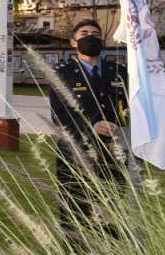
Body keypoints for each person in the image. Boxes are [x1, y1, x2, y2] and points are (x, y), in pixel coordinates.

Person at [48, 19, 128, 235]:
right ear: (73, 42)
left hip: (112, 151)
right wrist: (92, 125)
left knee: (110, 206)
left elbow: (130, 107)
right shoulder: (62, 73)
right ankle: (75, 246)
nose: (90, 36)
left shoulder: (119, 72)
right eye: (84, 33)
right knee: (75, 206)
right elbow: (59, 115)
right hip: (75, 150)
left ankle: (109, 246)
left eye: (95, 33)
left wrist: (119, 123)